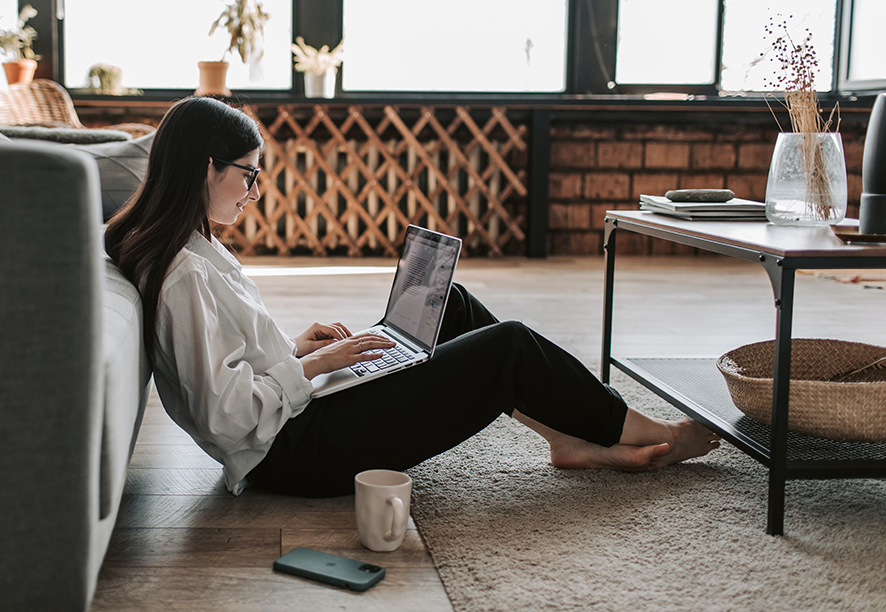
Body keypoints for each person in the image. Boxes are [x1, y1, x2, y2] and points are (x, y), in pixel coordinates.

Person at [104, 97, 720, 498]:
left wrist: (296, 347)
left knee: (447, 303)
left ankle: (565, 437)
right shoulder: (185, 272)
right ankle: (641, 430)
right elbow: (225, 417)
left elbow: (228, 366)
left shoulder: (193, 250)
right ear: (205, 168)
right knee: (509, 347)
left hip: (296, 418)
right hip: (291, 454)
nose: (255, 191)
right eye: (249, 174)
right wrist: (313, 367)